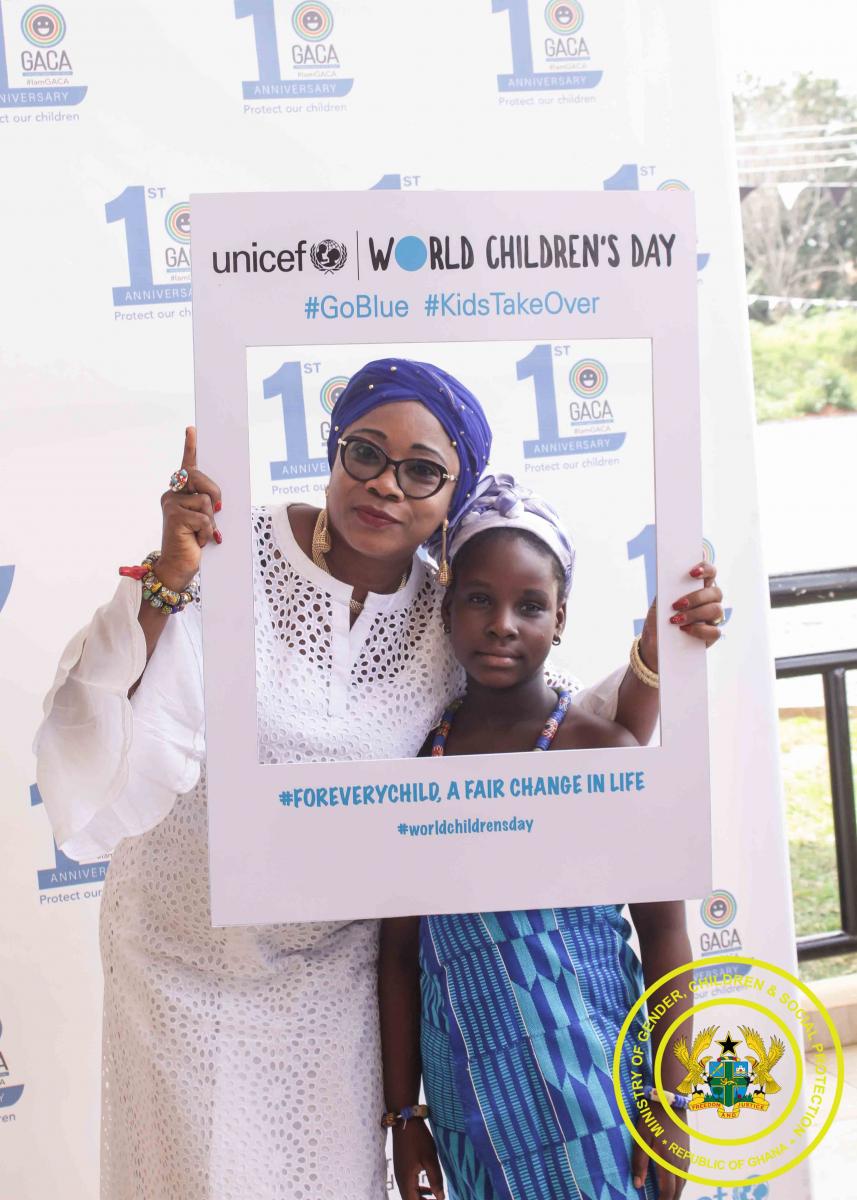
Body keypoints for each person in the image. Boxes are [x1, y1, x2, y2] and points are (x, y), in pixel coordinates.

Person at [34, 360, 720, 1200]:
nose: (386, 485)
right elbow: (100, 714)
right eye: (364, 452)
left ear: (452, 494)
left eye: (422, 470)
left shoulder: (453, 610)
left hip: (338, 976)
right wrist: (169, 579)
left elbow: (552, 742)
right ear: (332, 451)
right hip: (181, 954)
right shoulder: (226, 553)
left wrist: (660, 654)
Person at [379, 477, 723, 1200]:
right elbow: (400, 956)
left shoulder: (603, 752)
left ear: (559, 618)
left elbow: (664, 932)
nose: (502, 624)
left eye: (530, 605)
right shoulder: (415, 769)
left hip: (601, 1086)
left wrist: (671, 1099)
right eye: (479, 599)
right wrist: (405, 1117)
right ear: (445, 608)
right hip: (470, 1103)